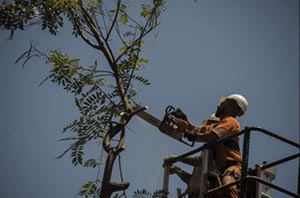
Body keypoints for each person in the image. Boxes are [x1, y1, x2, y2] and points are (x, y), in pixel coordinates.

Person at [169, 94, 248, 198]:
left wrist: (188, 133)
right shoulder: (217, 125)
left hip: (231, 166)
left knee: (228, 185)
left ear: (233, 104)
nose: (218, 106)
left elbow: (211, 136)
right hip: (220, 169)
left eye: (223, 103)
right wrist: (186, 121)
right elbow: (198, 130)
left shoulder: (231, 122)